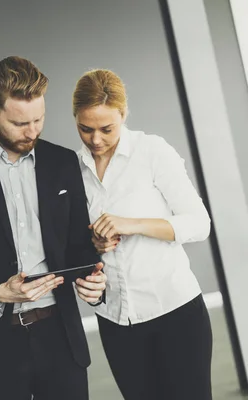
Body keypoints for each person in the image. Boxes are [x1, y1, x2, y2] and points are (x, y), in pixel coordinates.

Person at [0, 56, 107, 400]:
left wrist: (95, 277)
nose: (32, 132)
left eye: (38, 119)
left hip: (61, 339)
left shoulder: (62, 162)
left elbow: (77, 245)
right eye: (19, 123)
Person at [72, 69, 212, 400]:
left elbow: (199, 223)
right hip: (116, 321)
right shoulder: (71, 169)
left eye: (106, 129)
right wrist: (95, 243)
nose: (95, 140)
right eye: (85, 128)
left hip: (176, 313)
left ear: (124, 114)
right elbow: (78, 242)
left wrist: (131, 224)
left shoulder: (152, 151)